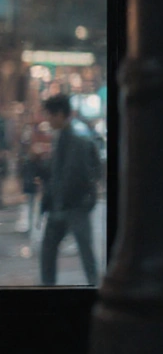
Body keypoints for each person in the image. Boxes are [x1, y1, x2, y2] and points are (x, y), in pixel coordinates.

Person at [38, 95, 101, 286]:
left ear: (59, 114)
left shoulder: (78, 139)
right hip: (61, 206)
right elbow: (57, 174)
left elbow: (87, 173)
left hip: (74, 207)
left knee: (85, 255)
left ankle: (93, 291)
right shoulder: (61, 138)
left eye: (49, 115)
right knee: (49, 253)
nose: (47, 119)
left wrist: (87, 200)